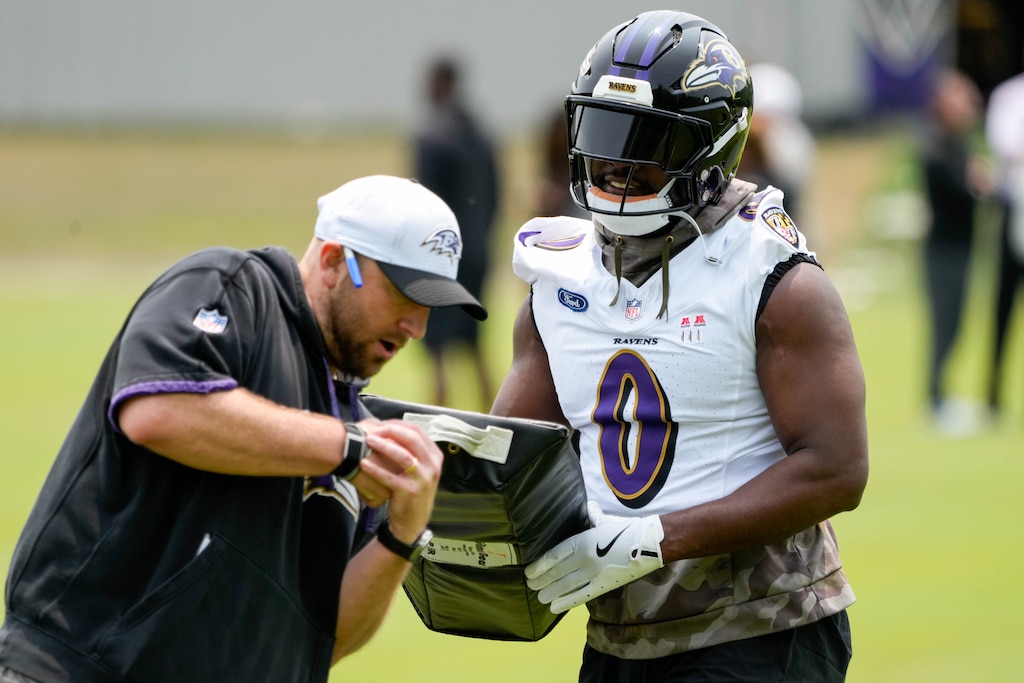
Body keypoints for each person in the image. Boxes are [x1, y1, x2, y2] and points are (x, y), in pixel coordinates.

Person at [490, 11, 869, 682]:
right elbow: (513, 460)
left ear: (711, 147)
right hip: (619, 635)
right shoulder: (556, 278)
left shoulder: (773, 276)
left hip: (761, 626)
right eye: (603, 132)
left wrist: (653, 539)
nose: (616, 163)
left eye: (648, 139)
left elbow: (836, 469)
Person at [0, 175, 487, 683]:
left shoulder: (363, 433)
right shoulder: (231, 288)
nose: (417, 327)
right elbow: (158, 411)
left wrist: (403, 533)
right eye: (403, 294)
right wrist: (346, 448)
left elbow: (327, 639)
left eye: (430, 306)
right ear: (333, 262)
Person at [413, 55, 501, 409]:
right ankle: (496, 415)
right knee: (475, 342)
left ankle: (433, 422)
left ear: (438, 83)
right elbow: (495, 195)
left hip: (443, 254)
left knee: (436, 346)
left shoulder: (432, 136)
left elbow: (424, 201)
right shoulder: (482, 134)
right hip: (478, 251)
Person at [917, 69, 993, 433]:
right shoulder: (937, 147)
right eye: (962, 98)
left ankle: (942, 396)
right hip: (943, 251)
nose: (970, 105)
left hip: (962, 247)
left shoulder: (960, 145)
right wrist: (977, 182)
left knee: (958, 323)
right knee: (945, 324)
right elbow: (965, 190)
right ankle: (935, 401)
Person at [984, 64, 1024, 417]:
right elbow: (1007, 148)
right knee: (1003, 305)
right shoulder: (1009, 96)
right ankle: (993, 391)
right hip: (1015, 206)